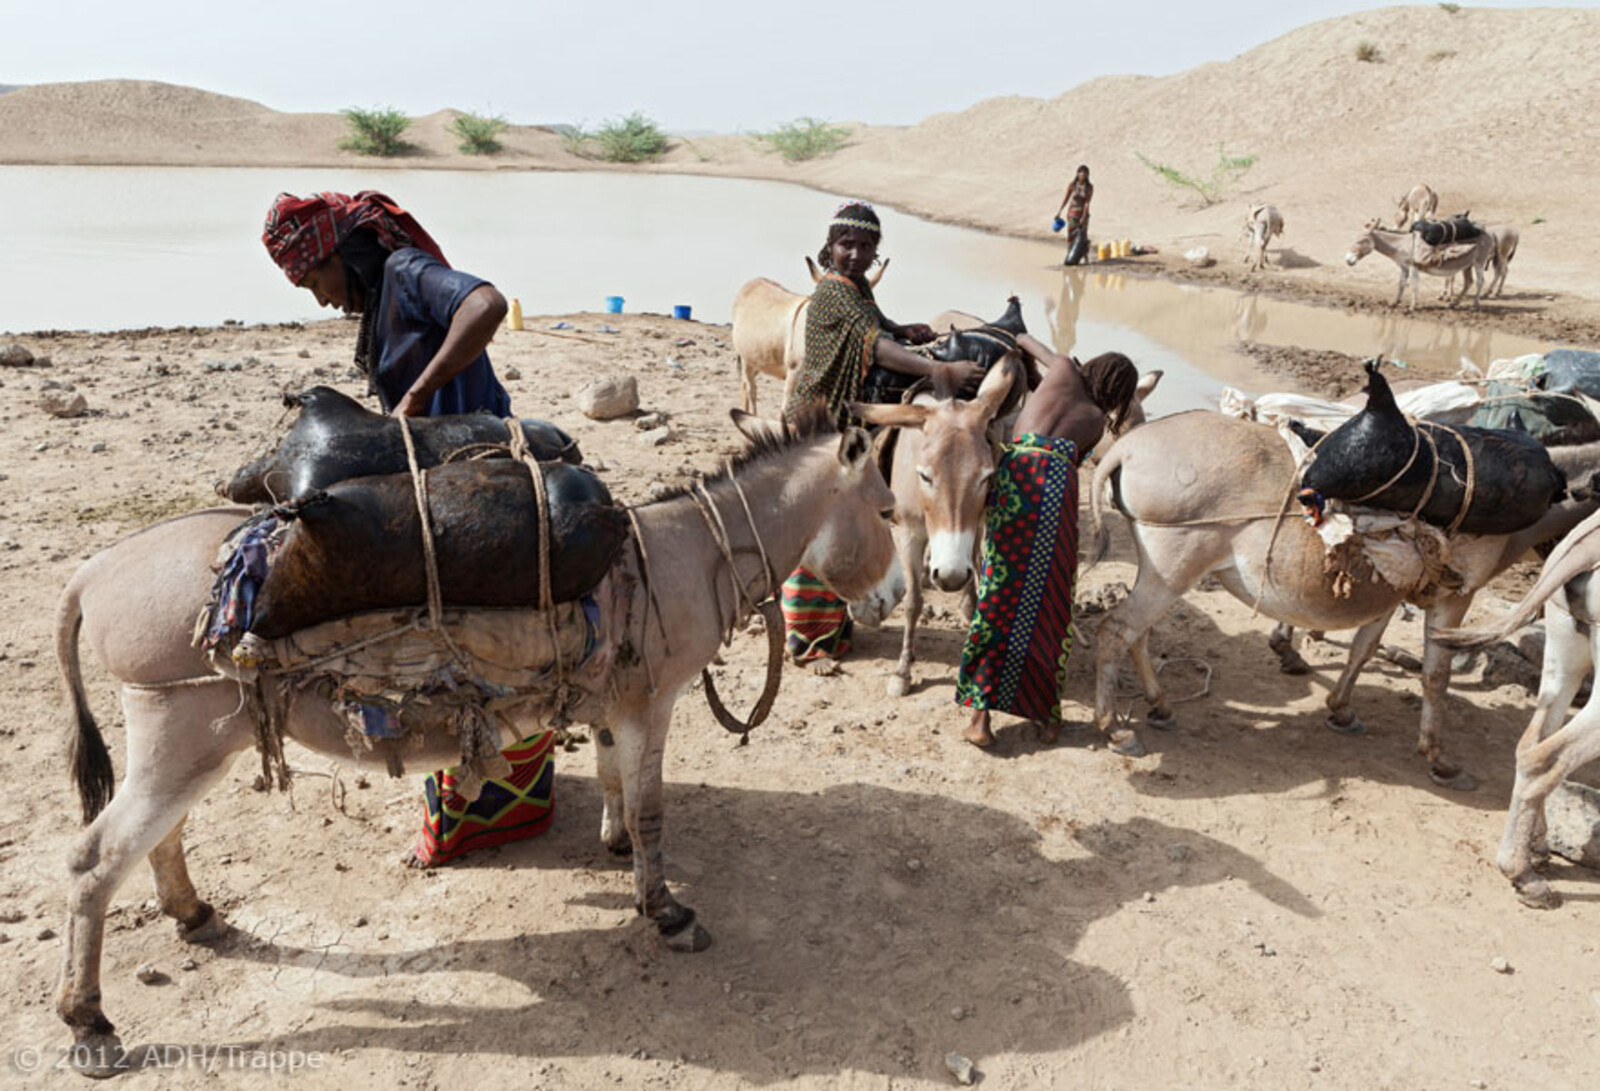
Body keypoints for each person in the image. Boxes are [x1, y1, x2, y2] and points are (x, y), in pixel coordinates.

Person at [262, 190, 551, 868]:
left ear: (335, 255)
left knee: (477, 636)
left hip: (485, 473)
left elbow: (486, 304)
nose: (319, 298)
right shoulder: (376, 308)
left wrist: (419, 396)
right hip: (444, 484)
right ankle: (485, 793)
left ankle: (490, 800)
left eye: (313, 281)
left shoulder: (406, 273)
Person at [780, 201, 982, 667]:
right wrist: (939, 367)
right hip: (820, 420)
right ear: (829, 247)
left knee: (844, 520)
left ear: (876, 253)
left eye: (865, 246)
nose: (854, 253)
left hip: (846, 420)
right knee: (819, 525)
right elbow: (875, 346)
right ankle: (809, 635)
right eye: (845, 245)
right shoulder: (831, 292)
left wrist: (903, 327)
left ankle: (837, 622)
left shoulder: (856, 288)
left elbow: (878, 327)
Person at [955, 334, 1139, 748]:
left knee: (997, 597)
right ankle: (1044, 714)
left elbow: (1021, 340)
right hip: (1055, 494)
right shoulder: (1095, 420)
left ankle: (980, 720)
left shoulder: (1062, 370)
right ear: (1118, 393)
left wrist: (1034, 363)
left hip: (1016, 477)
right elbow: (1071, 451)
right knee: (1047, 604)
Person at [1055, 165, 1094, 266]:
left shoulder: (1089, 187)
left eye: (1084, 173)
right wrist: (1059, 211)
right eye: (1081, 172)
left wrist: (1084, 216)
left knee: (1083, 236)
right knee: (1071, 235)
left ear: (1087, 175)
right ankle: (1070, 255)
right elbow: (1066, 199)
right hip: (1072, 213)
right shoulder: (1072, 185)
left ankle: (1085, 258)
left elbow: (1087, 203)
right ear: (1077, 173)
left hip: (1083, 214)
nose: (1082, 174)